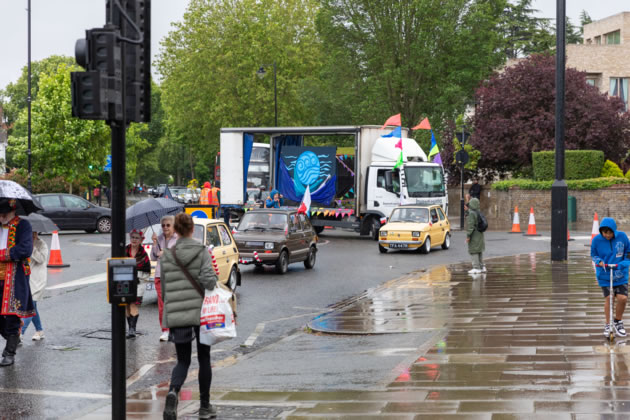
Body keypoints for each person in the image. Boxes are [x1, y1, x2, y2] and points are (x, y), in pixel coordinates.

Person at [161, 212, 218, 420]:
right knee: (204, 358)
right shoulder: (202, 251)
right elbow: (209, 281)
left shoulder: (167, 254)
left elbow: (165, 290)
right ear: (192, 229)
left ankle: (173, 391)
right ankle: (204, 407)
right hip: (201, 313)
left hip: (178, 313)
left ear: (175, 230)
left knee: (182, 361)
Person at [0, 198, 34, 367]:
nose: (1, 217)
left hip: (13, 277)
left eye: (4, 214)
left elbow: (26, 249)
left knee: (12, 315)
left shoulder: (23, 226)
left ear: (13, 211)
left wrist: (3, 254)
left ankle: (9, 352)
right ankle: (12, 338)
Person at [591, 217, 630, 338]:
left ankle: (618, 321)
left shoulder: (622, 237)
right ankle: (608, 324)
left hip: (620, 273)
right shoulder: (596, 240)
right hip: (605, 274)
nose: (607, 235)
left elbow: (628, 253)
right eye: (604, 232)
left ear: (614, 231)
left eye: (609, 232)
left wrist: (623, 264)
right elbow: (594, 255)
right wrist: (600, 262)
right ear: (601, 231)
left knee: (623, 298)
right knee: (609, 298)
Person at [151, 215, 178, 342]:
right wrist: (155, 243)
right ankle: (165, 330)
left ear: (173, 226)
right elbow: (154, 257)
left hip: (173, 275)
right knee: (162, 305)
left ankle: (174, 329)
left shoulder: (178, 239)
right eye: (163, 225)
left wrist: (166, 253)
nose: (165, 227)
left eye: (168, 225)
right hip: (160, 275)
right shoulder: (160, 238)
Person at [21, 231, 48, 342]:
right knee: (33, 308)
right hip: (26, 279)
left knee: (30, 307)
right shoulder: (23, 242)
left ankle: (19, 333)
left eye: (33, 233)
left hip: (37, 280)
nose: (31, 235)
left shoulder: (42, 244)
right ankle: (39, 330)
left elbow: (41, 259)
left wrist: (32, 246)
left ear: (36, 233)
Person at [125, 229, 151, 339]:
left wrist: (136, 276)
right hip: (125, 281)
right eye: (132, 237)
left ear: (141, 240)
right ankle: (130, 327)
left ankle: (132, 329)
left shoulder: (143, 254)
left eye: (137, 238)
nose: (134, 240)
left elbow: (147, 271)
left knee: (133, 304)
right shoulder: (124, 250)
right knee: (126, 304)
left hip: (139, 282)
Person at [466, 197, 485, 275]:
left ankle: (476, 268)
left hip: (474, 235)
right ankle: (482, 267)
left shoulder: (471, 213)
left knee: (473, 250)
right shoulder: (478, 211)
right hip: (480, 234)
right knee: (479, 250)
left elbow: (471, 226)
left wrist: (468, 236)